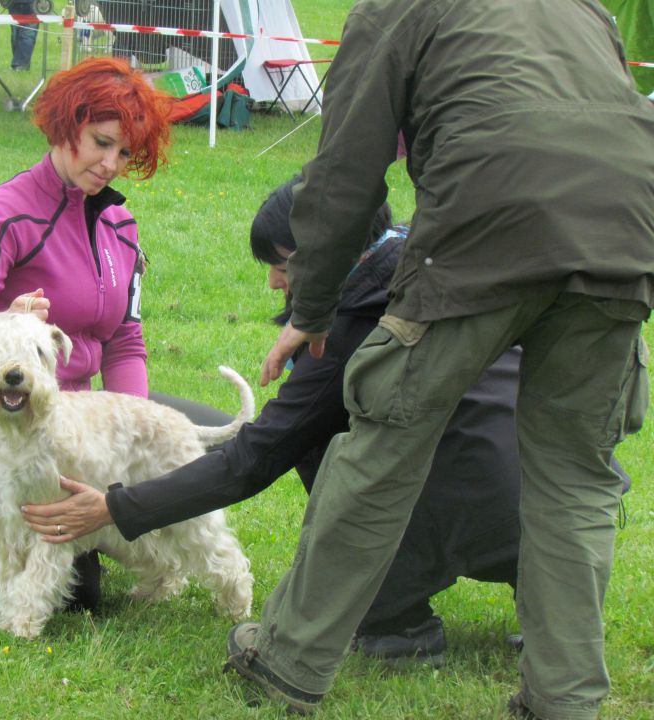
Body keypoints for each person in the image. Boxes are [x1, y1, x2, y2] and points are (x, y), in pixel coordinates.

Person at [221, 2, 654, 718]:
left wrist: (312, 309)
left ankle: (288, 660)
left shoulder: (395, 9)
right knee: (575, 479)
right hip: (626, 228)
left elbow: (344, 168)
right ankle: (565, 699)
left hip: (488, 225)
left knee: (382, 449)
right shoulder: (581, 7)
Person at [22, 176, 594, 664]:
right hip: (563, 513)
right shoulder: (432, 255)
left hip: (473, 508)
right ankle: (546, 606)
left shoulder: (346, 335)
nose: (273, 281)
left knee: (319, 442)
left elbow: (257, 457)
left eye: (284, 265)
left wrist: (115, 506)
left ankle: (395, 617)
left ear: (331, 251)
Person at [0, 57, 176, 613]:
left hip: (76, 422)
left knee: (191, 453)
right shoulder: (7, 210)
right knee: (80, 592)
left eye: (124, 153)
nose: (110, 164)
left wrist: (131, 433)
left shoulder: (121, 227)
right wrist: (3, 320)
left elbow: (126, 339)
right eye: (100, 143)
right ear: (65, 126)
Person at [2, 0, 39, 72]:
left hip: (33, 4)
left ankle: (21, 65)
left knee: (27, 35)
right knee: (15, 35)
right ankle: (19, 64)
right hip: (14, 4)